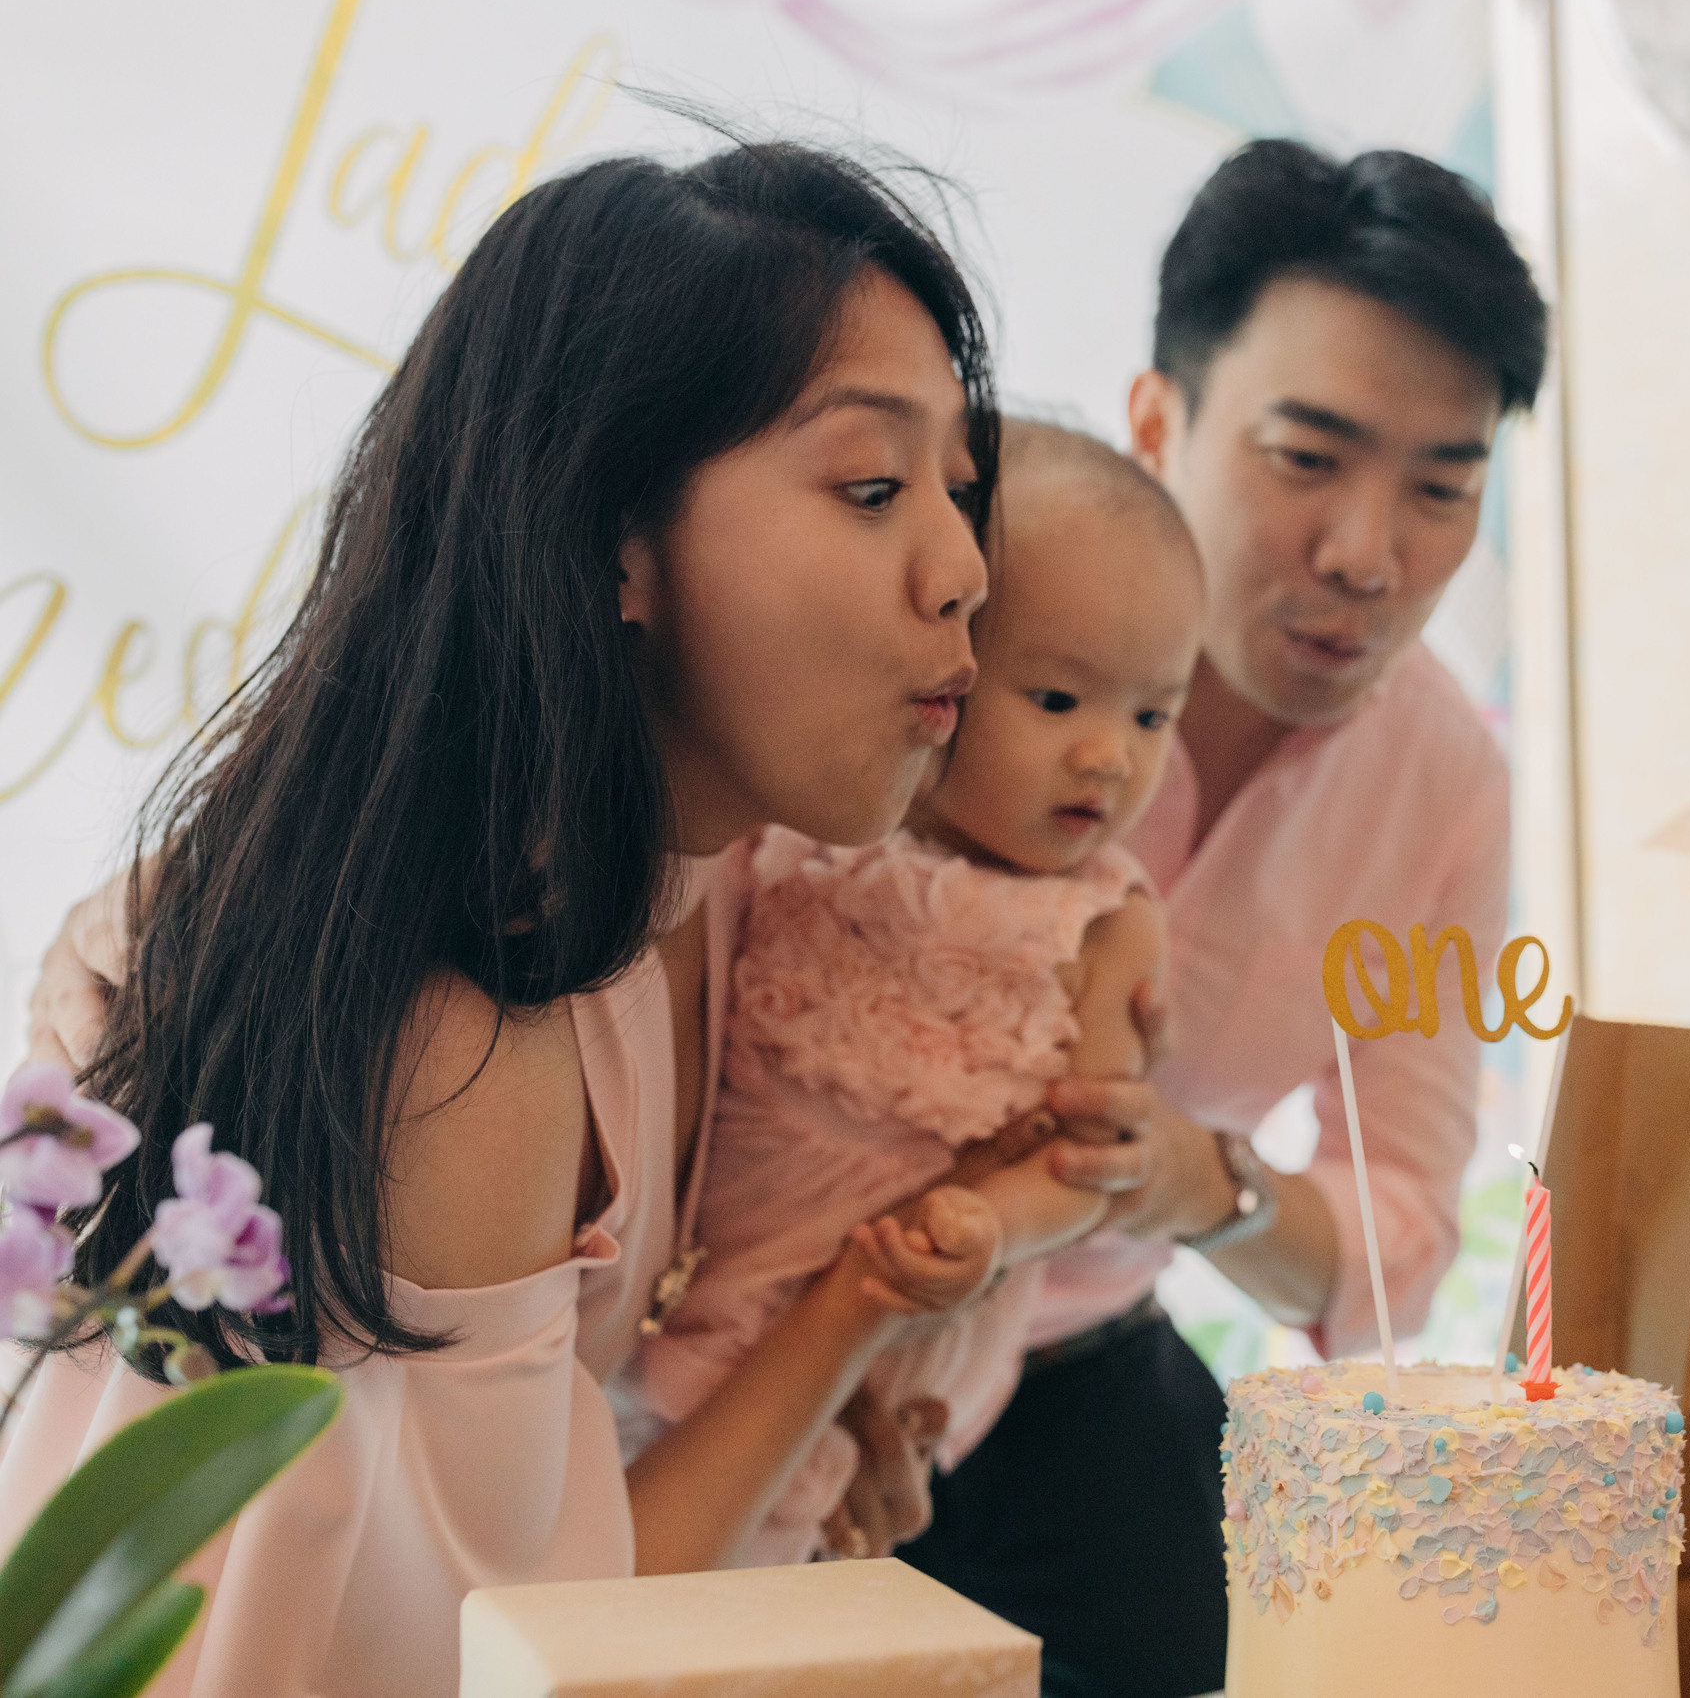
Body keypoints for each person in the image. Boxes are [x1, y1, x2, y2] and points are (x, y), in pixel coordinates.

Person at [0, 141, 1004, 1697]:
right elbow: (540, 1654)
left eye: (961, 483)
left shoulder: (706, 860)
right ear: (615, 536)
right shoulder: (472, 1018)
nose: (964, 569)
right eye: (873, 488)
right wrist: (848, 1325)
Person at [897, 140, 1549, 1697]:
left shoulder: (1442, 774)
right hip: (764, 1361)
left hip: (1076, 1366)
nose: (1368, 555)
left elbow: (1393, 1217)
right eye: (1307, 457)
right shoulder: (935, 627)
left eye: (1443, 488)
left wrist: (1204, 1184)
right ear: (1155, 420)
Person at [632, 421, 1203, 1568]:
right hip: (725, 1252)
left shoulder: (1106, 920)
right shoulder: (806, 832)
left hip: (914, 1285)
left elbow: (1087, 1160)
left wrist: (991, 1228)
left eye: (1151, 716)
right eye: (1055, 700)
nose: (1109, 758)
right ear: (951, 669)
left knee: (787, 1549)